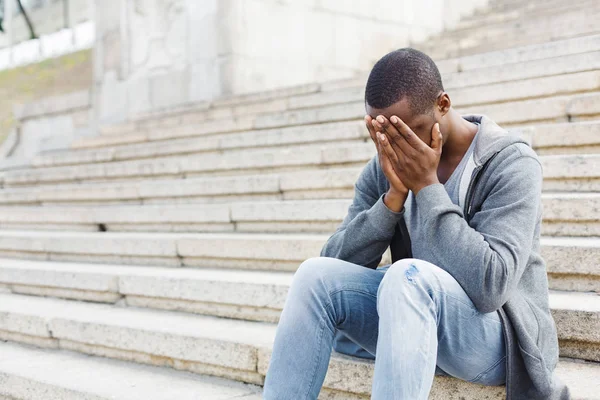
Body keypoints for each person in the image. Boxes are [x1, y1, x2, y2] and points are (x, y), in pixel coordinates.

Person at [262, 48, 569, 400]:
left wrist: (427, 188)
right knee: (313, 275)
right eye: (386, 133)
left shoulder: (510, 162)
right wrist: (392, 199)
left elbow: (491, 285)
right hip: (413, 321)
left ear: (443, 104)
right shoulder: (384, 168)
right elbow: (336, 263)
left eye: (410, 130)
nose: (398, 144)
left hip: (500, 337)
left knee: (407, 276)